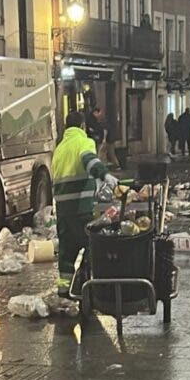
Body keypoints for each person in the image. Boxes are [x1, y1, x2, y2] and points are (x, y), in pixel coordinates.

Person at [52, 111, 109, 298]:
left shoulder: (59, 149)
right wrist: (105, 175)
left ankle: (63, 290)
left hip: (63, 212)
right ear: (83, 126)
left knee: (66, 253)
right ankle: (89, 287)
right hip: (80, 209)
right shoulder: (84, 142)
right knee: (93, 246)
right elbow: (89, 161)